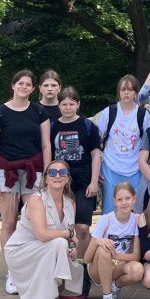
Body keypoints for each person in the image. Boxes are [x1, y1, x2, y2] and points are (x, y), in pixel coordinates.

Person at [0, 70, 52, 296]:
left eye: (28, 84)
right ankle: (12, 272)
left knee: (35, 221)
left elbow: (46, 144)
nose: (24, 87)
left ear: (33, 89)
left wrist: (48, 173)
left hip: (33, 170)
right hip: (6, 171)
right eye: (20, 83)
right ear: (13, 85)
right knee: (9, 222)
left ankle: (32, 267)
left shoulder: (39, 111)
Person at [3, 160, 85, 299]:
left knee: (65, 248)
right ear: (46, 179)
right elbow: (42, 234)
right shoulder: (37, 200)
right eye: (52, 173)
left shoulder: (70, 202)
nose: (57, 176)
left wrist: (73, 247)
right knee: (59, 243)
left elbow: (70, 235)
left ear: (68, 178)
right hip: (21, 251)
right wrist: (68, 235)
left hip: (45, 248)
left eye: (62, 173)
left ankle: (57, 290)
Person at [50, 86, 102, 264]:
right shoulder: (52, 127)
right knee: (61, 227)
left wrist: (94, 181)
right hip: (59, 182)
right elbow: (48, 155)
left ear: (78, 104)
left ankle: (81, 264)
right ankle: (63, 264)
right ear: (58, 105)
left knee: (82, 227)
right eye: (64, 104)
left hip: (84, 181)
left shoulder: (88, 126)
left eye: (71, 104)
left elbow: (95, 154)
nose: (68, 108)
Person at [85, 181, 143, 299]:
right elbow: (87, 258)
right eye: (120, 199)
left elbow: (136, 256)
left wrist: (116, 255)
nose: (124, 203)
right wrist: (99, 241)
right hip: (98, 269)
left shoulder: (137, 219)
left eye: (127, 198)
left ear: (134, 199)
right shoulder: (106, 219)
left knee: (138, 270)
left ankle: (115, 287)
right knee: (104, 250)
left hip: (118, 266)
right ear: (114, 201)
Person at [97, 76, 150, 214]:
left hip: (136, 168)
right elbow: (96, 141)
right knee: (110, 211)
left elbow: (148, 143)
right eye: (123, 89)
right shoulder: (108, 113)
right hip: (111, 167)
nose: (126, 93)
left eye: (130, 89)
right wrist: (97, 169)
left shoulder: (143, 114)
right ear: (118, 92)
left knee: (136, 211)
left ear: (136, 92)